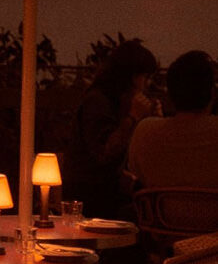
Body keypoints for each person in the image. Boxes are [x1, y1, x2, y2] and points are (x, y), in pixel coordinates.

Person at [64, 40, 160, 218]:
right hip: (90, 192)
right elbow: (104, 152)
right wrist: (133, 117)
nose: (147, 85)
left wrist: (153, 121)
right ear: (131, 77)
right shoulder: (97, 102)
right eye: (145, 78)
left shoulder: (117, 103)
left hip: (108, 186)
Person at [128, 50, 218, 188]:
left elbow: (136, 172)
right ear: (212, 93)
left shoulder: (145, 130)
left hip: (160, 203)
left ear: (170, 93)